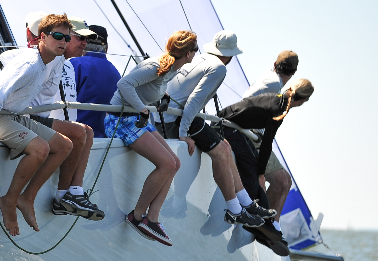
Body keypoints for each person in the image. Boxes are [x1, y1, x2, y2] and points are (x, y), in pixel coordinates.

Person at [0, 13, 75, 236]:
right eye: (57, 36)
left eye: (67, 38)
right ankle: (9, 200)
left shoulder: (47, 61)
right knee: (40, 149)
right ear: (42, 37)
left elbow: (7, 56)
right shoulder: (30, 64)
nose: (63, 42)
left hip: (10, 115)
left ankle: (27, 198)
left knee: (64, 146)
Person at [156, 30, 272, 230]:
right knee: (221, 152)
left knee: (225, 147)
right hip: (175, 119)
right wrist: (183, 133)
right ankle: (235, 210)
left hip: (167, 115)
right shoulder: (219, 68)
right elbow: (194, 101)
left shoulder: (200, 58)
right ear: (230, 55)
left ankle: (245, 204)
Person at [105, 30, 196, 246]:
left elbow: (150, 86)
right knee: (165, 163)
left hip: (136, 119)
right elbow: (124, 84)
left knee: (175, 163)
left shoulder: (171, 69)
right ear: (189, 54)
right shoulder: (155, 66)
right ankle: (137, 217)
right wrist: (142, 108)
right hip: (122, 120)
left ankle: (152, 219)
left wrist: (161, 96)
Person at [18, 13, 101, 220]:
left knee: (86, 131)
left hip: (47, 121)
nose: (84, 43)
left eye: (86, 39)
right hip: (27, 120)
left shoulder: (68, 66)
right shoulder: (40, 60)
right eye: (78, 37)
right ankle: (63, 196)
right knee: (79, 132)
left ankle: (75, 192)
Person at [218, 79, 314, 256]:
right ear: (302, 101)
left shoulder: (279, 100)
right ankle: (254, 218)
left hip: (233, 128)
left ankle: (268, 225)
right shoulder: (279, 108)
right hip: (225, 127)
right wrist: (261, 174)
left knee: (254, 169)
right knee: (252, 171)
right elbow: (268, 143)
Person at [240, 51, 300, 230]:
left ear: (275, 63)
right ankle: (267, 227)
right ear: (293, 72)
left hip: (249, 133)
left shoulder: (269, 77)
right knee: (283, 182)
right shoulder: (274, 84)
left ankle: (264, 221)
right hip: (250, 136)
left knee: (282, 181)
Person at [71, 24, 122, 138]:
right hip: (104, 138)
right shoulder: (115, 72)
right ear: (106, 47)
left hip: (76, 137)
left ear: (84, 43)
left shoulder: (74, 64)